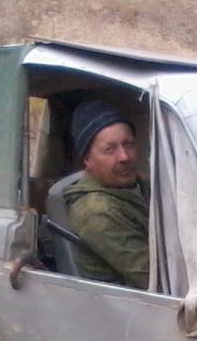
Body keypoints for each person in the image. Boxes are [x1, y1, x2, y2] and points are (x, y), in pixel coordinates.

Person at [62, 100, 149, 289]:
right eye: (109, 150)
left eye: (128, 144)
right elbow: (156, 278)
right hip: (126, 304)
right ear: (87, 159)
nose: (124, 157)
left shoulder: (141, 187)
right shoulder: (97, 212)